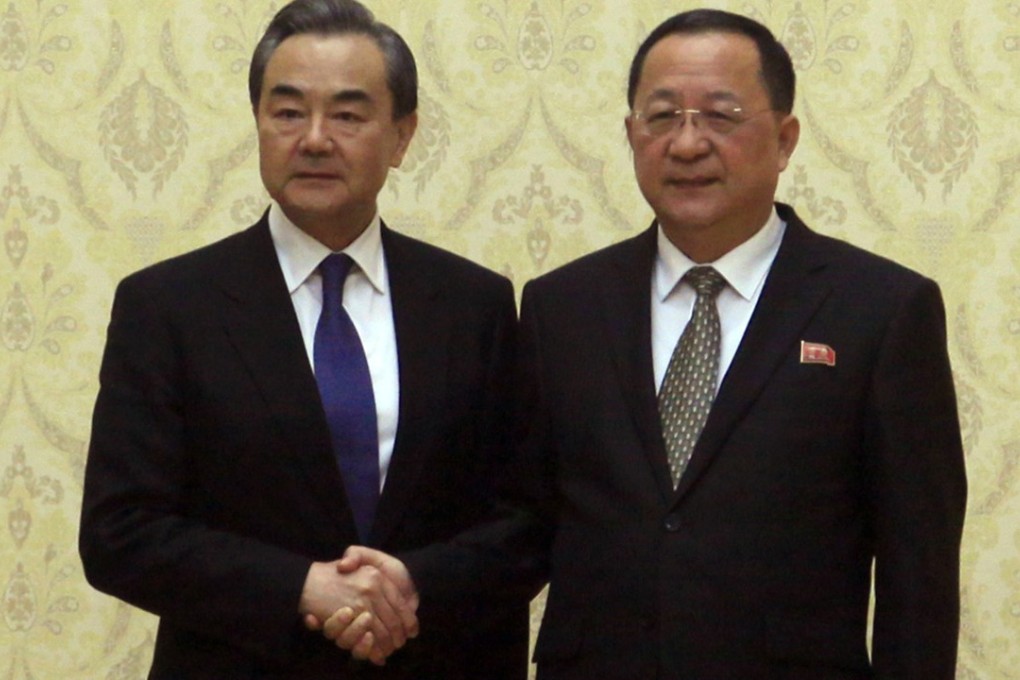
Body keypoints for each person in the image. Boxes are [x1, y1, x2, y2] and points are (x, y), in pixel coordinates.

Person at [334, 8, 968, 679]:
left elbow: (919, 576)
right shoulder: (563, 308)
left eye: (720, 116)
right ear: (631, 135)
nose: (687, 144)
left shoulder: (879, 310)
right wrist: (414, 582)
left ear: (784, 140)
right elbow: (526, 523)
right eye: (662, 117)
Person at [78, 0, 527, 677]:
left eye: (347, 115)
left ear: (402, 137)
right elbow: (120, 534)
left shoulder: (475, 305)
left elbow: (524, 519)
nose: (314, 139)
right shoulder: (167, 306)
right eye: (288, 112)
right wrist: (301, 588)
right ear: (258, 122)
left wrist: (409, 587)